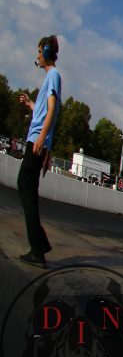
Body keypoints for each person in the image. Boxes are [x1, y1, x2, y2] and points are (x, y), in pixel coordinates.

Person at [17, 35, 62, 268]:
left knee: (25, 186)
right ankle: (39, 244)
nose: (37, 56)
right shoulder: (49, 78)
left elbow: (53, 109)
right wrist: (30, 105)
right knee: (27, 189)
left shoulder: (53, 75)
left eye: (38, 52)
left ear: (45, 52)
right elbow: (43, 110)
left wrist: (43, 139)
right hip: (38, 139)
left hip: (36, 140)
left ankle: (38, 247)